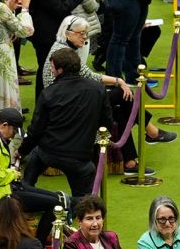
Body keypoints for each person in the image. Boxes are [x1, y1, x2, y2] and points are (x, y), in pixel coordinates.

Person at [20, 48, 112, 199]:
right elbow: (107, 122)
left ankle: (24, 200)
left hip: (49, 152)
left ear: (60, 69)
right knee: (84, 201)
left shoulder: (48, 93)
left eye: (52, 67)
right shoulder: (98, 89)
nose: (50, 70)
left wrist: (22, 151)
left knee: (29, 174)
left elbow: (35, 130)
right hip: (80, 157)